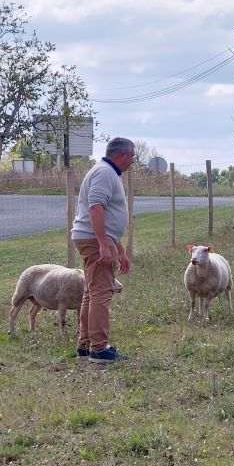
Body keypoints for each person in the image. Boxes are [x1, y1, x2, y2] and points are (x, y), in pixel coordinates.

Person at [71, 137, 134, 364]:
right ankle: (99, 349)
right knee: (101, 292)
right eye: (133, 156)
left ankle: (85, 346)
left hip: (96, 238)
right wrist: (102, 244)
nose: (133, 161)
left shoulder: (108, 172)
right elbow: (95, 208)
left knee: (91, 291)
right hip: (93, 239)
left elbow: (107, 215)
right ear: (123, 155)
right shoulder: (105, 173)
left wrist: (119, 248)